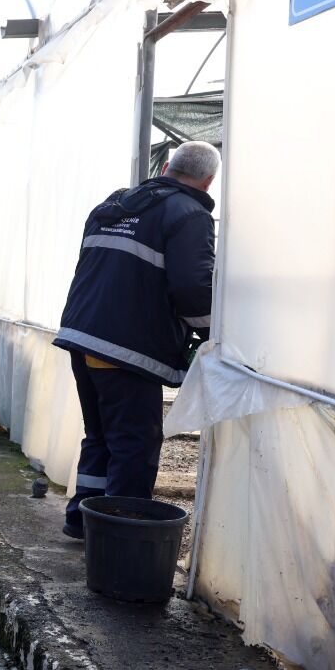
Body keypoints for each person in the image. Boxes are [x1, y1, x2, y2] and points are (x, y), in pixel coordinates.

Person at [54, 141, 219, 539]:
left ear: (165, 168)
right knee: (134, 445)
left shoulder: (113, 206)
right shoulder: (189, 215)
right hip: (127, 349)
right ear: (209, 181)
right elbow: (193, 288)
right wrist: (214, 333)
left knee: (100, 437)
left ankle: (82, 518)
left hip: (83, 336)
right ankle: (122, 534)